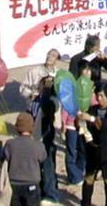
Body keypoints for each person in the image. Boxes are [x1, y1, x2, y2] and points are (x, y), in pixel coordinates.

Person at [77, 83, 107, 206]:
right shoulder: (94, 109)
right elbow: (84, 124)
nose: (98, 98)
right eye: (97, 95)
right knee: (89, 179)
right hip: (93, 150)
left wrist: (90, 118)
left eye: (101, 96)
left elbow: (103, 125)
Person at [30, 76, 63, 205]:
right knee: (40, 168)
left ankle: (51, 194)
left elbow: (48, 107)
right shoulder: (36, 101)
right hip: (36, 138)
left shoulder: (53, 101)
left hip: (47, 139)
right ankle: (44, 191)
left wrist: (48, 91)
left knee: (49, 167)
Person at [4, 112, 47, 206]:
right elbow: (43, 157)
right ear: (32, 127)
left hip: (14, 184)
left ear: (17, 128)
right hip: (32, 183)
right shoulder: (38, 145)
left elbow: (4, 157)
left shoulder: (10, 144)